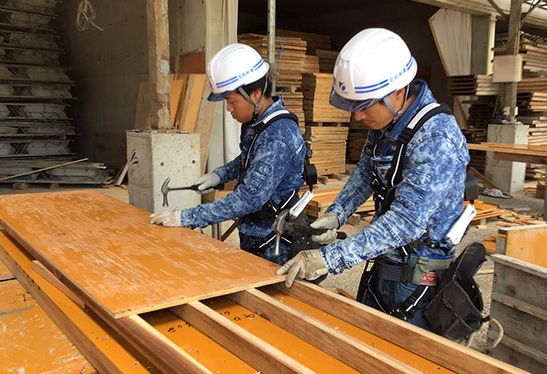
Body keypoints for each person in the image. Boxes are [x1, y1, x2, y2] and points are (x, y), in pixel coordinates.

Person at [277, 28, 470, 331]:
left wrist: (330, 258)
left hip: (417, 280)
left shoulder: (437, 138)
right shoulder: (386, 123)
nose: (357, 117)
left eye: (364, 105)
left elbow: (406, 222)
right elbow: (366, 171)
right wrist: (337, 215)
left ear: (397, 91)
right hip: (384, 260)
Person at [150, 43, 306, 265]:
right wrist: (220, 175)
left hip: (272, 241)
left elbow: (249, 198)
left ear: (255, 93)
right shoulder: (259, 122)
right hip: (256, 231)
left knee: (267, 293)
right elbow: (249, 160)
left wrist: (186, 217)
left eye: (232, 101)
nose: (229, 109)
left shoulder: (278, 136)